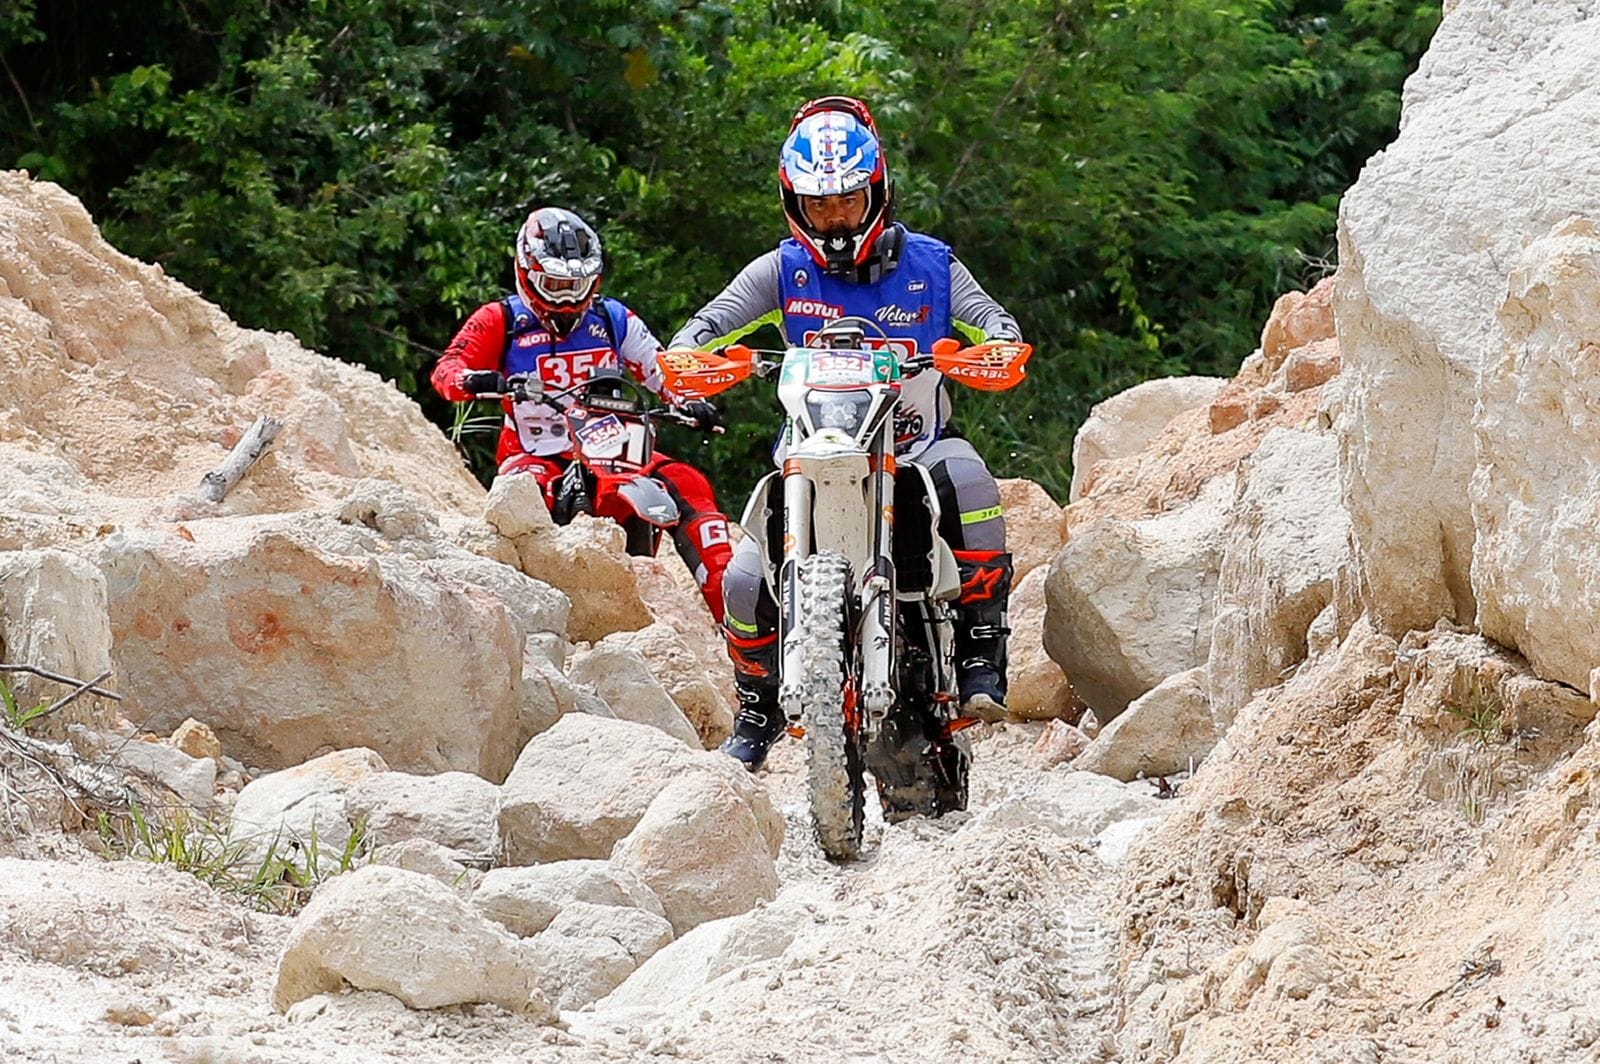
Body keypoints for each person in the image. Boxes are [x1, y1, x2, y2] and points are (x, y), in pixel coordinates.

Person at [669, 96, 1022, 770]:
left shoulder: (932, 264)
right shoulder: (780, 270)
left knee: (974, 485)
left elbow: (989, 317)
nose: (834, 218)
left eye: (848, 201)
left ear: (877, 191)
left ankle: (983, 654)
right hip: (811, 454)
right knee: (745, 577)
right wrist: (692, 355)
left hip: (916, 443)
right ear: (794, 204)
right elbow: (709, 322)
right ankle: (755, 706)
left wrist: (997, 342)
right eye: (819, 204)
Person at [432, 206, 733, 620]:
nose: (567, 299)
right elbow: (447, 369)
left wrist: (689, 400)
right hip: (536, 455)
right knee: (519, 496)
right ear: (527, 273)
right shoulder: (501, 320)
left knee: (689, 484)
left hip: (617, 451)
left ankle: (742, 625)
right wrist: (475, 381)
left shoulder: (611, 318)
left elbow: (661, 369)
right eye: (555, 284)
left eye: (577, 285)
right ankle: (514, 613)